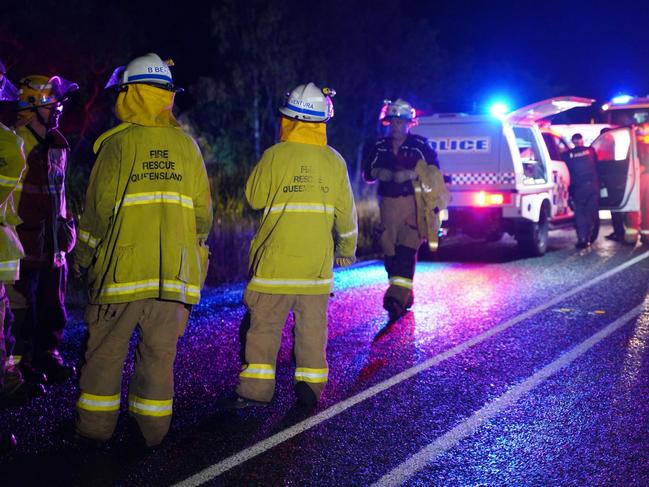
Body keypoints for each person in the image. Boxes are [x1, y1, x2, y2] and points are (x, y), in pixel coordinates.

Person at [72, 53, 213, 447]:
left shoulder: (115, 145)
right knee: (158, 357)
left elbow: (96, 216)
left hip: (122, 275)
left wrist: (83, 259)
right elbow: (203, 217)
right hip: (174, 278)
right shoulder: (188, 147)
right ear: (166, 96)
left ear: (129, 95)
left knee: (105, 353)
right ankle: (151, 433)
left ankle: (94, 432)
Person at [229, 82, 357, 409]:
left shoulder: (275, 155)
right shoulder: (335, 161)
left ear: (290, 119)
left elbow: (253, 198)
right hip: (315, 270)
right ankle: (310, 387)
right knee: (313, 332)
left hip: (275, 266)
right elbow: (346, 215)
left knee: (264, 330)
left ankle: (256, 390)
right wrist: (346, 250)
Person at [7, 73, 79, 384]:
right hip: (25, 241)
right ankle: (18, 366)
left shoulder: (58, 145)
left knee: (53, 303)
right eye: (54, 105)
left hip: (53, 242)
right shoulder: (15, 143)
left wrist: (67, 228)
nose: (59, 111)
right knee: (20, 308)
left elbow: (61, 193)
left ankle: (47, 354)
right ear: (34, 104)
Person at [363, 99, 440, 321]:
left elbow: (435, 174)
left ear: (410, 123)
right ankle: (404, 294)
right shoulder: (379, 147)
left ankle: (395, 299)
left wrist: (413, 174)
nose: (396, 126)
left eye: (401, 122)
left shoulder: (421, 146)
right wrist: (380, 173)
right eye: (393, 122)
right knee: (391, 255)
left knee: (406, 252)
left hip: (412, 206)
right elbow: (367, 173)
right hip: (387, 206)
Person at [564, 133, 600, 249]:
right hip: (592, 187)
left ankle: (582, 239)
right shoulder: (591, 151)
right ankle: (589, 237)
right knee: (591, 213)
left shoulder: (567, 155)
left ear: (573, 142)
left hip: (578, 188)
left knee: (580, 214)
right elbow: (597, 166)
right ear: (582, 140)